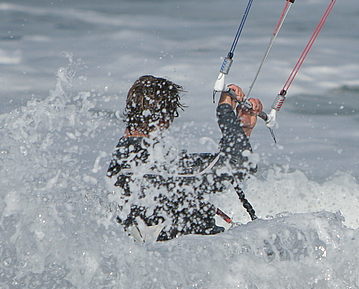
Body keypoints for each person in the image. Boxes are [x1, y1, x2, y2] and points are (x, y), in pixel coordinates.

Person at [106, 75, 263, 242]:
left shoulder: (132, 155)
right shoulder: (144, 163)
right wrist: (225, 112)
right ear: (167, 118)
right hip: (185, 258)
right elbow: (240, 165)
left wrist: (240, 130)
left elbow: (221, 167)